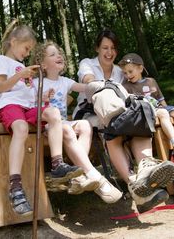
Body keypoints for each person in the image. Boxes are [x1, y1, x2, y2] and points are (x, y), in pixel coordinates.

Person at [73, 29, 174, 213]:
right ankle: (134, 184)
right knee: (113, 126)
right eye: (105, 47)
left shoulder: (120, 72)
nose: (109, 52)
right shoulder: (87, 63)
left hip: (119, 112)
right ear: (97, 48)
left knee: (136, 119)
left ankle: (145, 168)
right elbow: (89, 81)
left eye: (113, 48)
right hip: (90, 113)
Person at [0, 20, 83, 216]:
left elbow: (29, 95)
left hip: (27, 106)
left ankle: (57, 163)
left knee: (53, 113)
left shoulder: (21, 67)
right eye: (26, 48)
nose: (27, 53)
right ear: (14, 41)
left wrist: (43, 97)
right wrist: (21, 75)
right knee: (21, 128)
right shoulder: (2, 60)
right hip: (9, 105)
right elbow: (1, 88)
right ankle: (15, 186)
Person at [32, 41, 122, 203]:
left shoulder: (65, 81)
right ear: (43, 64)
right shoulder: (37, 83)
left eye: (59, 53)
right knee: (66, 130)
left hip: (64, 123)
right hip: (47, 126)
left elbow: (86, 87)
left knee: (85, 125)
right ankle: (91, 174)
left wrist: (104, 84)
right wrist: (42, 98)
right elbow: (29, 106)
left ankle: (78, 174)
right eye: (52, 55)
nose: (59, 56)